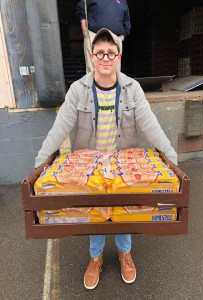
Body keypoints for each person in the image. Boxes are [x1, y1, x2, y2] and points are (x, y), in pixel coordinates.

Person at [34, 28, 178, 290]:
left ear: (118, 56)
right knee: (94, 211)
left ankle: (125, 252)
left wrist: (172, 157)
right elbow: (60, 128)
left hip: (123, 164)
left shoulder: (132, 89)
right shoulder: (78, 90)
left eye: (111, 52)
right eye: (100, 52)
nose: (105, 57)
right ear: (92, 56)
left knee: (122, 208)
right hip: (89, 167)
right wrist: (39, 164)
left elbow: (151, 126)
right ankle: (96, 257)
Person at [75, 0, 131, 73]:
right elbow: (81, 8)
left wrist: (123, 35)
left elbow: (126, 19)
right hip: (94, 36)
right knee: (93, 69)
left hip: (115, 39)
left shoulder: (123, 1)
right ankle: (92, 85)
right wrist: (84, 28)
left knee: (114, 70)